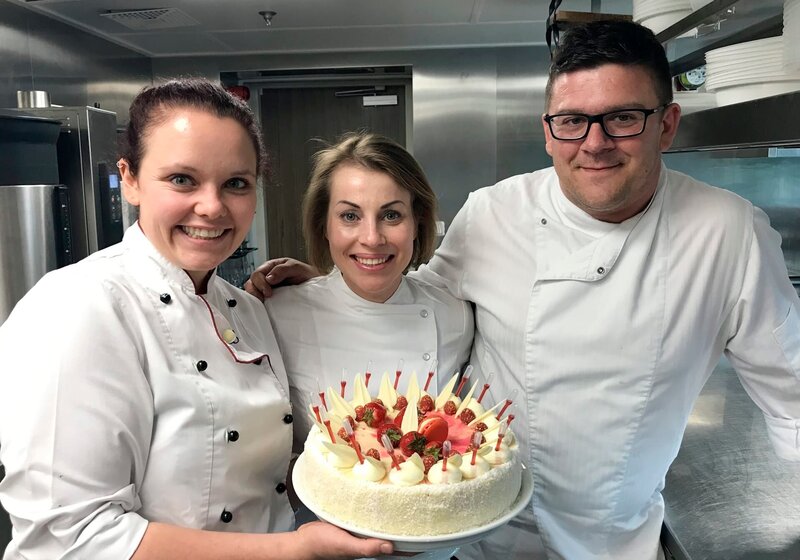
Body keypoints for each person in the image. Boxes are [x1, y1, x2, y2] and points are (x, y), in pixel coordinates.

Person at [248, 21, 800, 560]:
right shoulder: (495, 211)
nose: (595, 143)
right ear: (547, 129)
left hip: (607, 539)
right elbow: (419, 297)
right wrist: (331, 282)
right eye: (572, 121)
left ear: (668, 123)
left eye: (624, 118)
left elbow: (792, 396)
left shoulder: (730, 233)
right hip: (477, 531)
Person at [0, 78, 393, 559]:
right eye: (182, 179)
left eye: (235, 184)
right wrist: (294, 550)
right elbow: (71, 539)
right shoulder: (78, 306)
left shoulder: (247, 308)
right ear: (130, 178)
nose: (211, 206)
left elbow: (255, 475)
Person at [262, 131, 474, 456]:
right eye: (350, 216)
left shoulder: (454, 313)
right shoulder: (278, 313)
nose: (372, 238)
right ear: (324, 225)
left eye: (391, 215)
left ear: (417, 223)